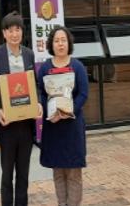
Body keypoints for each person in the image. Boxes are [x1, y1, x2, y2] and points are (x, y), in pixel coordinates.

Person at [0, 11, 42, 206]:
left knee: (24, 173)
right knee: (7, 173)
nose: (14, 34)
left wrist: (38, 103)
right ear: (4, 33)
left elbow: (34, 84)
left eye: (17, 29)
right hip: (7, 124)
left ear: (22, 32)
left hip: (26, 123)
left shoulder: (29, 54)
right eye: (10, 30)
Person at [37, 26, 89, 206]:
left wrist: (69, 110)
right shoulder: (45, 67)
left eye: (63, 40)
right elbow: (41, 93)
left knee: (74, 173)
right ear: (51, 44)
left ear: (69, 43)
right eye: (57, 40)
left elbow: (83, 93)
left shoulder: (77, 67)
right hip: (53, 126)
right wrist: (50, 110)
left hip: (72, 127)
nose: (60, 44)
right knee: (58, 172)